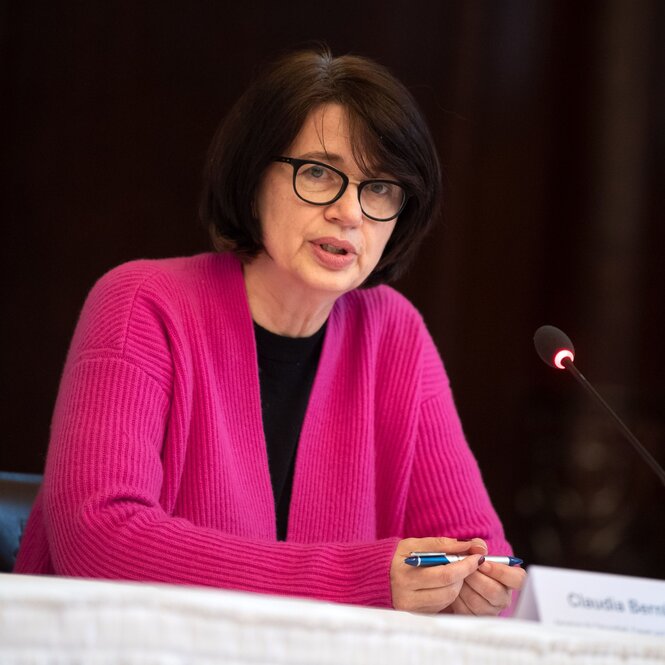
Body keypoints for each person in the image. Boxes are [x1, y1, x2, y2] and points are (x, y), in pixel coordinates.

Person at [15, 46, 525, 614]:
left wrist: (477, 586)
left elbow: (482, 550)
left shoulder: (395, 336)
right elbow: (99, 540)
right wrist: (360, 580)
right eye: (318, 173)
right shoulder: (142, 305)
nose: (350, 212)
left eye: (380, 188)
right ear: (254, 175)